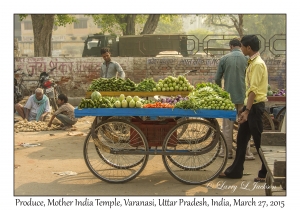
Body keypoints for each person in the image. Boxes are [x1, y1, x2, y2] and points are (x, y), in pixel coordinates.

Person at [219, 35, 268, 182]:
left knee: (258, 141)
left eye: (242, 46)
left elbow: (253, 90)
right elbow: (250, 90)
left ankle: (265, 172)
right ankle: (235, 171)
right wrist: (245, 109)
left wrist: (247, 110)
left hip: (255, 107)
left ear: (249, 48)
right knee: (241, 139)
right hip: (250, 106)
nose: (241, 49)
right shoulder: (251, 62)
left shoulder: (257, 64)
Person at [215, 38, 255, 160]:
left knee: (227, 127)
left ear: (231, 46)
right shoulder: (248, 59)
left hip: (228, 98)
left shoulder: (224, 59)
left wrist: (219, 92)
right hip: (244, 98)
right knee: (244, 126)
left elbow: (217, 79)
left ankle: (227, 152)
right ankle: (246, 153)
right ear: (240, 46)